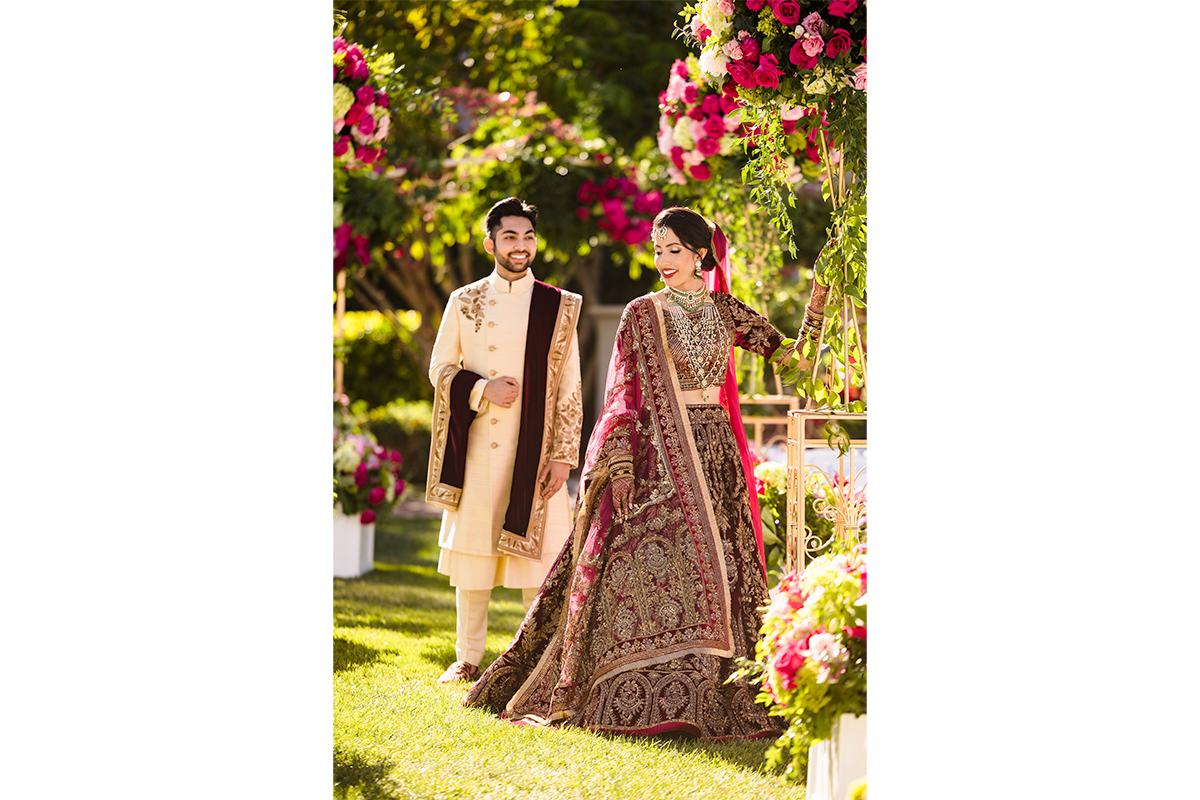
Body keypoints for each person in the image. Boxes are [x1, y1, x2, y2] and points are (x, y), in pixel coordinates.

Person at [464, 206, 802, 739]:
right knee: (658, 567)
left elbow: (795, 360)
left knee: (726, 572)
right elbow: (621, 391)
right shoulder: (642, 312)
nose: (664, 260)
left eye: (674, 250)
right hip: (661, 456)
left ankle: (720, 684)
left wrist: (825, 294)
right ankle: (646, 684)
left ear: (699, 253)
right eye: (658, 249)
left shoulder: (725, 309)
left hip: (718, 456)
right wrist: (620, 463)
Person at [425, 196, 583, 684]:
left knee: (535, 559)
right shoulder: (465, 300)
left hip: (534, 452)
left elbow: (570, 387)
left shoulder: (559, 306)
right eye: (511, 237)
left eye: (528, 236)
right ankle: (467, 657)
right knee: (474, 557)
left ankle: (530, 660)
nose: (521, 246)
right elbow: (439, 369)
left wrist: (562, 458)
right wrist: (480, 389)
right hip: (476, 447)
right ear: (490, 242)